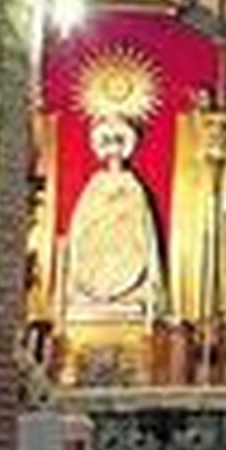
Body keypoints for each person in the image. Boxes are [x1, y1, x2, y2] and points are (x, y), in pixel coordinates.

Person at [66, 112, 166, 320]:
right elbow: (82, 222)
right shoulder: (95, 185)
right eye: (108, 142)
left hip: (124, 249)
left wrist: (121, 215)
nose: (114, 149)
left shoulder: (133, 185)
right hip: (98, 249)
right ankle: (94, 295)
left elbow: (140, 222)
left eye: (119, 142)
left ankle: (126, 296)